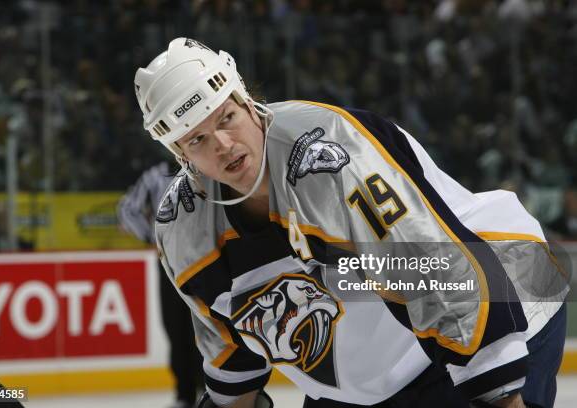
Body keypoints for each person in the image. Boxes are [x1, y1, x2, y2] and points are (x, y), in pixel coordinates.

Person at [133, 38, 567, 408]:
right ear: (179, 153)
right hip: (380, 360)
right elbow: (232, 352)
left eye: (226, 118)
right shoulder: (183, 226)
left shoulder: (329, 158)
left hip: (499, 294)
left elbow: (436, 270)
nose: (224, 145)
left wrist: (501, 395)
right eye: (198, 139)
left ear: (246, 100)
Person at [117, 161, 203, 408]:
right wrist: (151, 237)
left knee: (205, 327)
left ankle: (206, 391)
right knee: (177, 329)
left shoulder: (205, 168)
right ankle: (185, 394)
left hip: (205, 259)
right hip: (173, 262)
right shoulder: (155, 176)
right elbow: (126, 209)